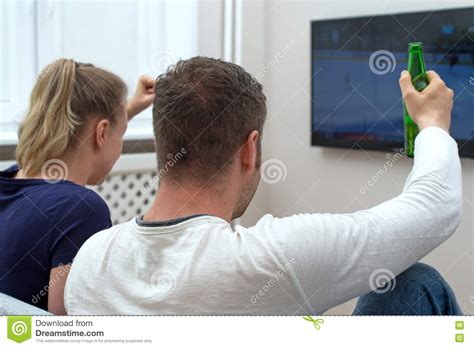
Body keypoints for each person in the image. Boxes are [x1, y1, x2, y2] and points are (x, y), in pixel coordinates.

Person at [64, 57, 462, 315]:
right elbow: (434, 209)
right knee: (414, 282)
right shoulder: (271, 258)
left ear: (163, 140)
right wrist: (432, 125)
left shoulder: (90, 259)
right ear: (249, 149)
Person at [0, 59, 155, 314]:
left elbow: (83, 132)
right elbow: (66, 331)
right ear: (102, 133)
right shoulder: (81, 210)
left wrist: (126, 110)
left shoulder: (9, 182)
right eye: (122, 133)